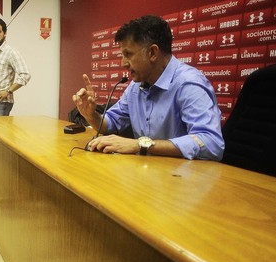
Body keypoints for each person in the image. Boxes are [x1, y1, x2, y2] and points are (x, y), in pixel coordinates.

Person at [72, 15, 225, 160]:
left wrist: (141, 144)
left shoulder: (188, 83)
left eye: (128, 54)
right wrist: (90, 115)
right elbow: (112, 123)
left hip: (184, 180)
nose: (123, 63)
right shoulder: (135, 87)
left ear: (152, 53)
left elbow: (212, 143)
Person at [0, 18, 31, 116]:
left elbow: (25, 75)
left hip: (0, 103)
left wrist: (8, 91)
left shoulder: (11, 53)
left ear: (5, 33)